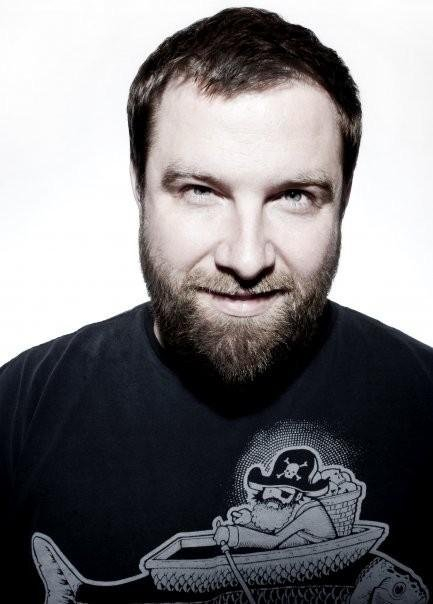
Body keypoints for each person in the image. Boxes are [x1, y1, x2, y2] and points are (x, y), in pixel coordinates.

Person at [1, 7, 431, 603]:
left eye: (295, 196)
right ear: (139, 185)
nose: (247, 258)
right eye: (200, 191)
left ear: (344, 200)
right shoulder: (18, 411)